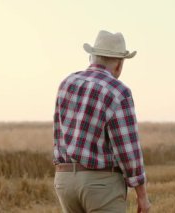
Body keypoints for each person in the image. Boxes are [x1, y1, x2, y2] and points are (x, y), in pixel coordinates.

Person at [53, 30, 151, 213]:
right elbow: (128, 150)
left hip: (64, 181)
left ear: (92, 57)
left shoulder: (67, 83)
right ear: (119, 64)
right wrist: (142, 195)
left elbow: (59, 134)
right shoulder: (118, 91)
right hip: (100, 184)